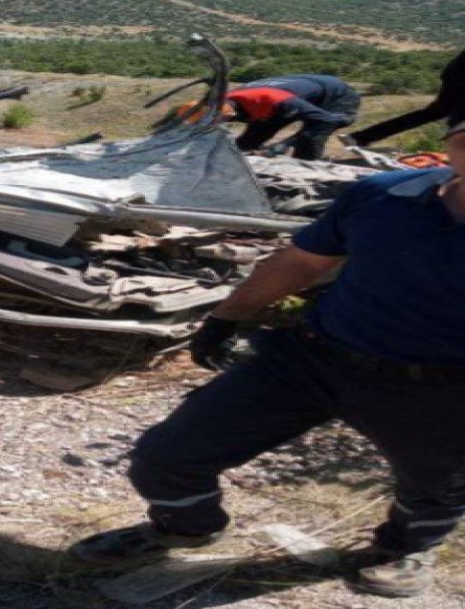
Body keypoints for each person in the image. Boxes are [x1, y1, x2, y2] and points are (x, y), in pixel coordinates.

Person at [69, 162, 465, 598]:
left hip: (440, 385)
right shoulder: (385, 195)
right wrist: (226, 317)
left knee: (437, 483)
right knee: (169, 453)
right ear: (451, 140)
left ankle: (405, 548)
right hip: (312, 359)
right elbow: (301, 261)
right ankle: (187, 527)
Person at [179, 75, 361, 160]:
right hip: (280, 101)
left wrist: (295, 143)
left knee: (312, 134)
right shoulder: (224, 102)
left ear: (228, 116)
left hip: (336, 96)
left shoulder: (274, 101)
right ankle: (267, 153)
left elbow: (326, 120)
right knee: (247, 142)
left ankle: (303, 168)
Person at [348, 49, 464, 161]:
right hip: (458, 84)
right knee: (453, 121)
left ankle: (361, 137)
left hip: (455, 81)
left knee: (430, 115)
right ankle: (456, 158)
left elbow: (448, 72)